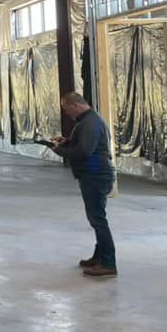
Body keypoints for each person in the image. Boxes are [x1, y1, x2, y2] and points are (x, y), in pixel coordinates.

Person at [52, 92, 117, 278]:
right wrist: (68, 142)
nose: (67, 114)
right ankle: (100, 256)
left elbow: (84, 151)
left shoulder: (90, 123)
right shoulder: (89, 121)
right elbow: (84, 144)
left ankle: (108, 262)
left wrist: (61, 151)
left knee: (98, 219)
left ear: (76, 105)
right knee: (96, 218)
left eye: (67, 109)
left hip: (95, 175)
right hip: (93, 175)